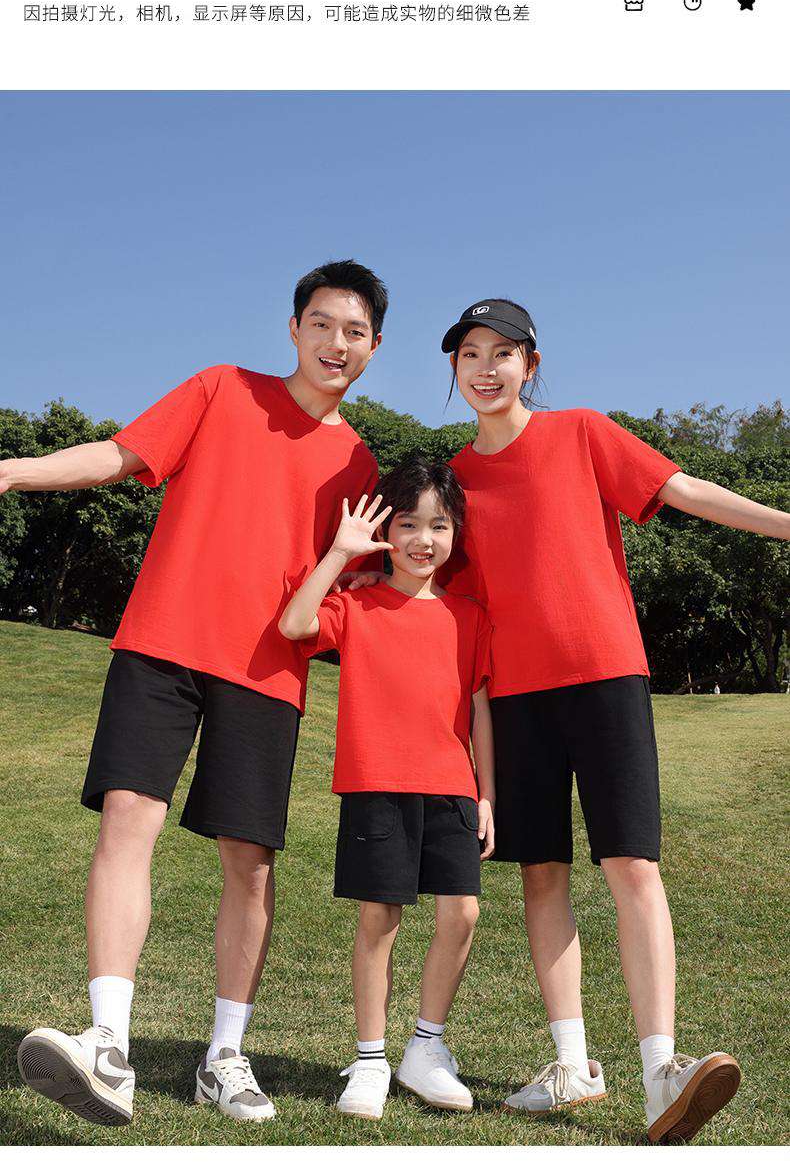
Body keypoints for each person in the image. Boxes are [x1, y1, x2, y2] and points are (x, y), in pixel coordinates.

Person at [5, 259, 387, 1126]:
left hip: (267, 673)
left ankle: (224, 1057)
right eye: (322, 325)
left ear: (373, 348)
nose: (336, 343)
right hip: (162, 643)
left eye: (355, 332)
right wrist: (13, 470)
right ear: (294, 329)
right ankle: (108, 1045)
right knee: (127, 820)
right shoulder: (220, 389)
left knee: (249, 865)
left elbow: (355, 586)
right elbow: (118, 455)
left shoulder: (360, 463)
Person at [433, 297, 790, 1143]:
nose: (485, 368)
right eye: (469, 354)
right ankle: (571, 1064)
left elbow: (684, 488)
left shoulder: (584, 433)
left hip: (606, 677)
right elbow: (441, 596)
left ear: (531, 364)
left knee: (632, 864)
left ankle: (661, 1069)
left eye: (502, 353)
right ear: (454, 368)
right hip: (513, 698)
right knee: (542, 874)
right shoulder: (453, 480)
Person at [278, 457, 495, 1121]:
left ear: (455, 533)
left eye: (439, 525)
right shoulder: (356, 604)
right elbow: (293, 625)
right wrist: (343, 555)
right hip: (376, 783)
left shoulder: (471, 616)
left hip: (453, 785)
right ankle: (370, 1059)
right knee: (381, 919)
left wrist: (487, 794)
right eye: (408, 524)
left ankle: (424, 1049)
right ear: (385, 531)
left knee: (463, 914)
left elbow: (480, 708)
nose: (423, 540)